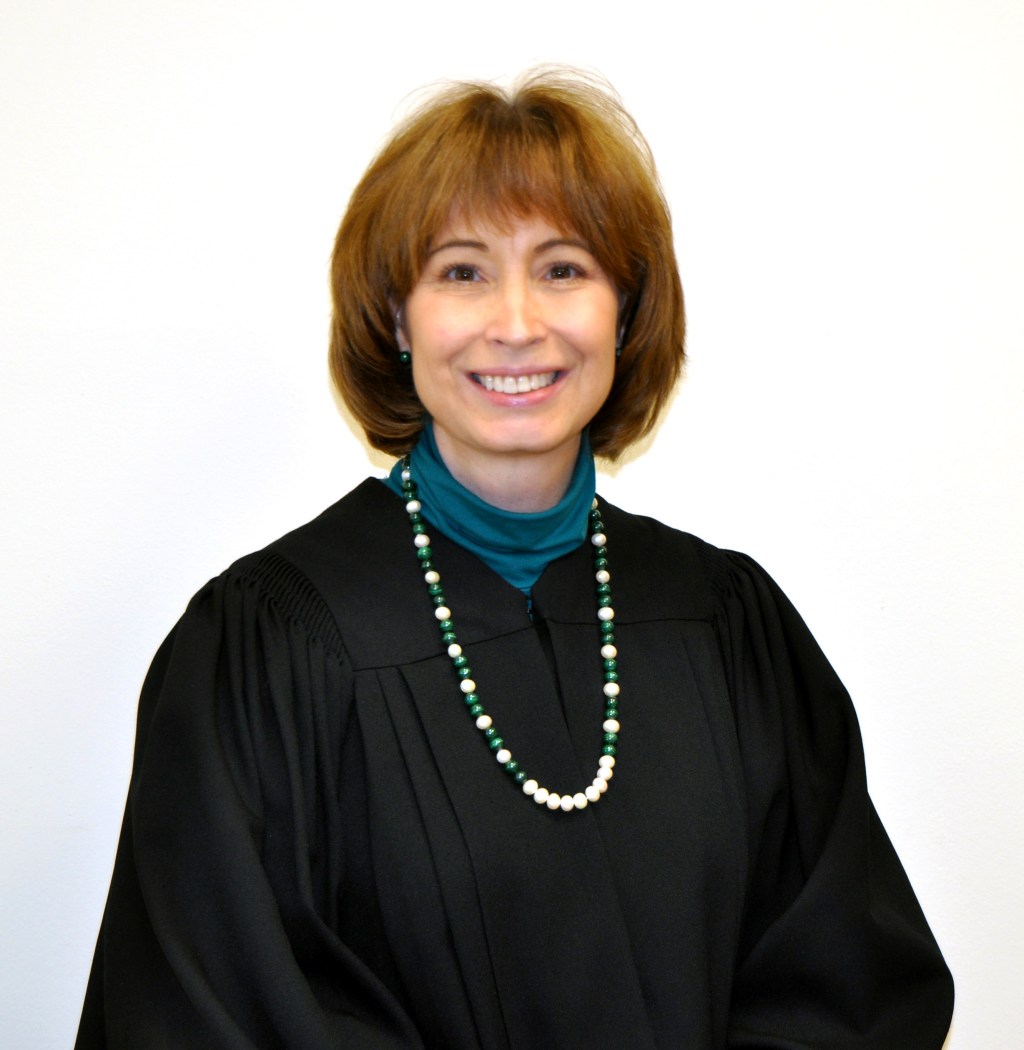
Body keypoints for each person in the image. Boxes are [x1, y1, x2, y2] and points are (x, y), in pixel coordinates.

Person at [76, 70, 954, 1048]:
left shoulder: (727, 627)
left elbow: (848, 987)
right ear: (396, 318)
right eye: (462, 272)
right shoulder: (264, 653)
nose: (517, 323)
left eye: (563, 268)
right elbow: (209, 1011)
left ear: (625, 311)